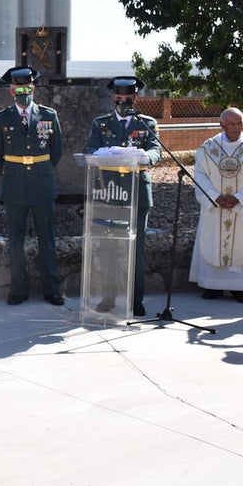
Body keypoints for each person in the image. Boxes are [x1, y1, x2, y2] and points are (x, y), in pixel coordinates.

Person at [84, 76, 162, 316]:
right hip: (110, 192)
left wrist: (144, 156)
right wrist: (103, 154)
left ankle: (135, 299)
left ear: (135, 99)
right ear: (112, 99)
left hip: (137, 192)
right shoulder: (102, 123)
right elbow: (90, 150)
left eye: (127, 99)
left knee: (136, 249)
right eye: (118, 99)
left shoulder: (146, 122)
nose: (122, 103)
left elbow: (155, 149)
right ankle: (108, 298)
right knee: (109, 248)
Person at [0, 66, 64, 306]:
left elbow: (57, 150)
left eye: (27, 87)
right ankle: (18, 289)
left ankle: (52, 290)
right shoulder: (2, 118)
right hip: (14, 184)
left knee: (47, 240)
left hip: (42, 183)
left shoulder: (49, 115)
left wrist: (42, 169)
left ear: (33, 88)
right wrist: (10, 173)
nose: (23, 92)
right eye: (18, 88)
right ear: (12, 91)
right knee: (16, 241)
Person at [190, 107, 243, 303]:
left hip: (241, 208)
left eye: (240, 123)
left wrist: (240, 198)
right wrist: (214, 196)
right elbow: (200, 174)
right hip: (216, 206)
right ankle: (212, 285)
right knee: (213, 241)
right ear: (222, 125)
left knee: (242, 243)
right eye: (232, 124)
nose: (236, 127)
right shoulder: (208, 148)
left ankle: (240, 288)